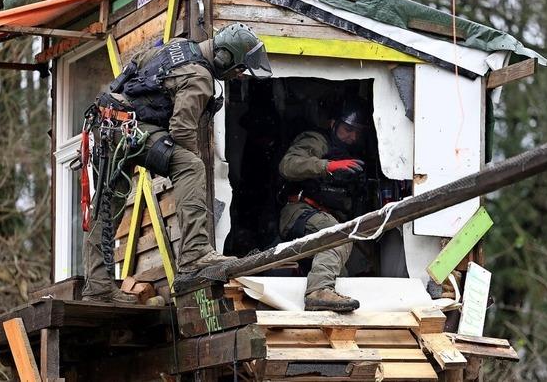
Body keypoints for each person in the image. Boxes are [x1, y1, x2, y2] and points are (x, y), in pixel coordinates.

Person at [81, 23, 272, 303]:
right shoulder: (200, 76)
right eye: (239, 68)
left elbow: (132, 68)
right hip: (127, 128)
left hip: (107, 123)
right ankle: (194, 253)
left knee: (106, 207)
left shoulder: (177, 46)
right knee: (190, 165)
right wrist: (187, 159)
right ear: (225, 58)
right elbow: (182, 131)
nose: (238, 75)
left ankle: (98, 287)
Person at [278, 100, 369, 312]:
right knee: (338, 235)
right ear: (333, 124)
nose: (352, 137)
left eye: (357, 133)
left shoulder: (358, 155)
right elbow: (288, 165)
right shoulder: (317, 140)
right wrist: (326, 166)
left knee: (350, 270)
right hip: (300, 211)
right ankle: (318, 291)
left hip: (330, 217)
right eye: (348, 129)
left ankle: (325, 307)